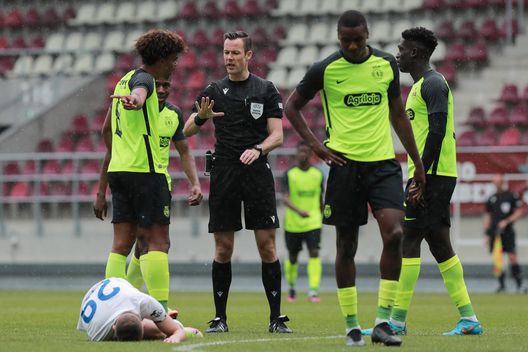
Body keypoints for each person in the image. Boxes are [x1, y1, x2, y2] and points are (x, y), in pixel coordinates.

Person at [284, 10, 426, 347]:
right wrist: (317, 147)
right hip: (344, 166)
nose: (351, 45)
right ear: (338, 36)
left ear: (367, 34)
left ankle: (382, 323)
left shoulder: (386, 65)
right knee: (346, 245)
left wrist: (416, 161)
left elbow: (396, 113)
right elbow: (292, 107)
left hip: (382, 164)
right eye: (345, 40)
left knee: (394, 233)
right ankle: (351, 326)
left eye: (357, 39)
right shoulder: (325, 69)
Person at [372, 26, 483, 338]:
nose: (398, 54)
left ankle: (395, 321)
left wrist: (420, 176)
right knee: (439, 244)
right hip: (433, 173)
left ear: (416, 53)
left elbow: (437, 131)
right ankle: (469, 318)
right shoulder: (422, 85)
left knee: (408, 240)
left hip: (432, 175)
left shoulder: (433, 84)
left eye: (402, 49)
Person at [182, 31, 291, 334]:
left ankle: (276, 318)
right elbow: (187, 129)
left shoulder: (265, 90)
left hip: (256, 173)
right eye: (226, 52)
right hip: (225, 173)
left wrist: (258, 149)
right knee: (223, 248)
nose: (229, 58)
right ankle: (220, 318)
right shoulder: (214, 89)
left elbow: (277, 136)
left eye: (235, 53)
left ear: (249, 56)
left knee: (267, 246)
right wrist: (201, 117)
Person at [102, 29, 186, 312]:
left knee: (121, 244)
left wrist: (121, 151)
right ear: (161, 58)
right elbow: (141, 93)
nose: (174, 65)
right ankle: (162, 313)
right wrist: (137, 101)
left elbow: (105, 129)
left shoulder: (123, 79)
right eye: (173, 60)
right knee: (157, 242)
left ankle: (113, 309)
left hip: (120, 169)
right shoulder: (144, 79)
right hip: (145, 172)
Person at [94, 75, 203, 291]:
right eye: (158, 85)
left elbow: (184, 151)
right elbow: (110, 147)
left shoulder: (173, 114)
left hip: (157, 183)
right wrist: (100, 192)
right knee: (149, 243)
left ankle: (128, 296)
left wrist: (195, 183)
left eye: (166, 85)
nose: (161, 89)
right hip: (141, 179)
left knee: (142, 244)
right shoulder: (133, 110)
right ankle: (152, 306)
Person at [77, 277, 201, 342]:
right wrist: (178, 334)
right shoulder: (99, 334)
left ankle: (164, 317)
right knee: (156, 333)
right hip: (99, 292)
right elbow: (178, 332)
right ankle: (163, 320)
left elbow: (177, 331)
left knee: (162, 329)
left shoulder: (143, 301)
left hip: (115, 286)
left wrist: (177, 335)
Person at [282, 141, 324, 303]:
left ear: (310, 153)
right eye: (300, 151)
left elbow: (320, 197)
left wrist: (321, 215)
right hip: (293, 223)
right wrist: (299, 211)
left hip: (313, 222)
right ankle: (291, 287)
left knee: (314, 252)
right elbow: (285, 198)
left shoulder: (318, 174)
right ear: (296, 153)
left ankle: (313, 290)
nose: (303, 154)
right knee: (293, 256)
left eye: (306, 151)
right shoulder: (289, 174)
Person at [484, 174, 525, 293]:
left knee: (512, 257)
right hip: (495, 234)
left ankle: (520, 285)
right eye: (494, 182)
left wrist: (506, 221)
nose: (496, 184)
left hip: (507, 232)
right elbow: (488, 217)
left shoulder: (511, 196)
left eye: (498, 182)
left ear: (502, 182)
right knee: (498, 259)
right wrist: (486, 233)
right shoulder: (491, 198)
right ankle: (502, 286)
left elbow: (519, 212)